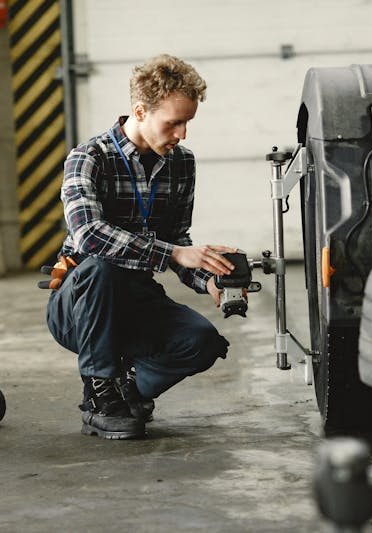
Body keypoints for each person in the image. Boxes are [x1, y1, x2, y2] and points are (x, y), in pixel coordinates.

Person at [46, 54, 238, 440]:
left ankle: (123, 393)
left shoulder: (181, 163)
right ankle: (101, 391)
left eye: (188, 123)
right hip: (81, 301)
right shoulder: (88, 158)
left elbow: (178, 239)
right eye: (174, 123)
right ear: (139, 111)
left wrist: (208, 279)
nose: (182, 134)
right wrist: (170, 253)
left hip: (137, 296)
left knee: (202, 341)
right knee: (101, 268)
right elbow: (89, 236)